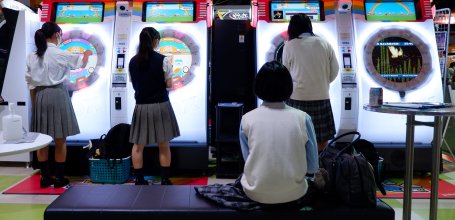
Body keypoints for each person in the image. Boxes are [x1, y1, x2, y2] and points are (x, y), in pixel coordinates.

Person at [195, 61, 324, 210]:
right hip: (295, 194)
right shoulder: (303, 118)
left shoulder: (247, 119)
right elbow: (313, 166)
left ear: (258, 86)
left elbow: (248, 158)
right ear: (289, 86)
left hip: (255, 193)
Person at [25, 22, 92, 188]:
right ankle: (59, 178)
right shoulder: (61, 53)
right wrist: (87, 53)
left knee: (42, 140)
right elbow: (81, 64)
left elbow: (30, 83)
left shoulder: (32, 56)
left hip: (40, 96)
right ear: (56, 35)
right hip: (58, 94)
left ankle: (45, 178)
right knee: (60, 139)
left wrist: (35, 104)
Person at [128, 27, 180, 185]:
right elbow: (169, 84)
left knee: (138, 145)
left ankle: (139, 179)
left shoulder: (132, 61)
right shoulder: (163, 60)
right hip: (161, 105)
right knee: (164, 144)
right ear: (155, 41)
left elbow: (134, 84)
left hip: (141, 106)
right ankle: (164, 179)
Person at [282, 13, 339, 151]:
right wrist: (322, 82)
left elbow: (285, 74)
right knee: (320, 140)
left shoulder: (289, 46)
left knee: (297, 138)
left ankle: (301, 169)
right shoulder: (324, 43)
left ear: (292, 28)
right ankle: (318, 169)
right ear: (309, 26)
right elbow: (335, 71)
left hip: (297, 98)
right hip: (321, 97)